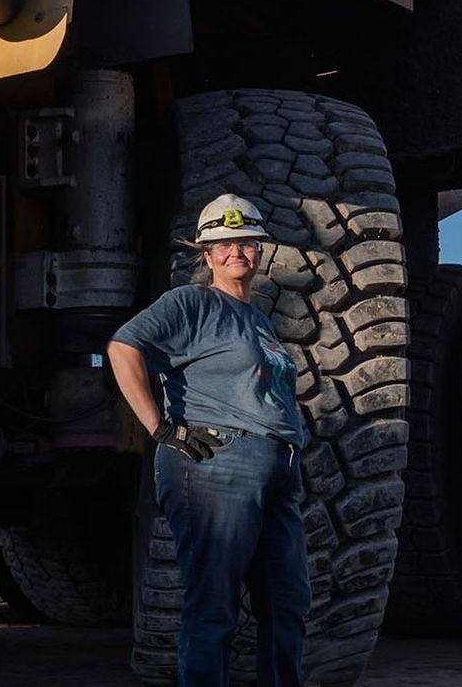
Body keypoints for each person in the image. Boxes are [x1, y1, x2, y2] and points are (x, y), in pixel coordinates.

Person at [108, 192, 309, 687]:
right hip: (217, 464)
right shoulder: (191, 302)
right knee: (214, 604)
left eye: (246, 242)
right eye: (224, 243)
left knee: (288, 603)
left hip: (278, 470)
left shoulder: (259, 320)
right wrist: (160, 427)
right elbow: (122, 348)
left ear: (261, 249)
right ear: (206, 253)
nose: (236, 251)